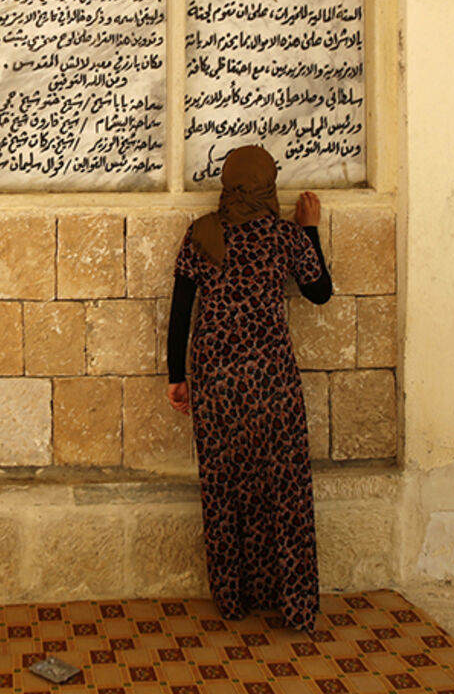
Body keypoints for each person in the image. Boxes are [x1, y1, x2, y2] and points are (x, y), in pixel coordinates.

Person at [166, 145, 332, 633]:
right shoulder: (284, 238)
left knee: (224, 489)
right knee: (284, 490)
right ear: (268, 185)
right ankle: (293, 602)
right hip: (272, 383)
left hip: (216, 381)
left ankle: (233, 598)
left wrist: (179, 377)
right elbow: (319, 292)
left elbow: (181, 313)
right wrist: (310, 230)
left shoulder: (202, 235)